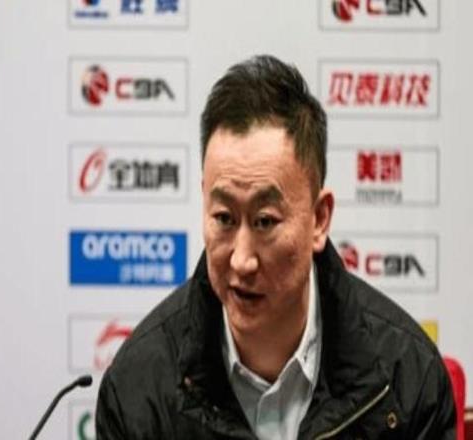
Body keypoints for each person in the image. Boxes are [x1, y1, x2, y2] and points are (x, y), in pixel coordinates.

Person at [96, 55, 455, 439]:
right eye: (224, 218)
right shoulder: (138, 390)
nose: (242, 260)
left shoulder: (407, 377)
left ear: (319, 219)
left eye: (265, 222)